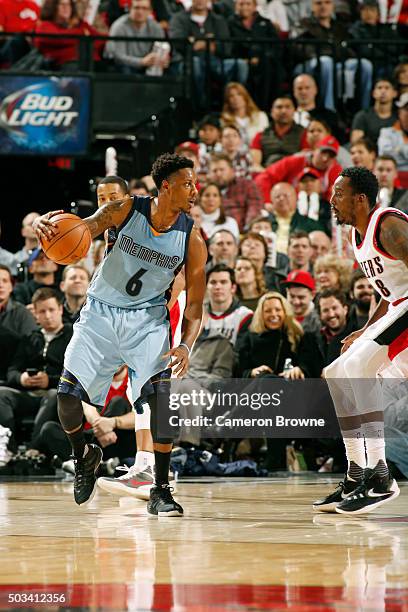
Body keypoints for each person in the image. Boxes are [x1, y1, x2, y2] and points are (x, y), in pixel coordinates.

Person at [33, 155, 207, 515]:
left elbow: (194, 308)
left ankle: (161, 489)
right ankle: (85, 453)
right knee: (66, 397)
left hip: (147, 320)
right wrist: (49, 226)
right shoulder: (126, 209)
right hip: (100, 311)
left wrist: (185, 344)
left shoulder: (192, 240)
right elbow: (86, 227)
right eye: (187, 183)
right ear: (166, 187)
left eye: (195, 183)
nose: (194, 190)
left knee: (160, 402)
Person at [313, 166, 408, 515]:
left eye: (339, 193)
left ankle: (380, 475)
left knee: (357, 367)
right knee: (336, 373)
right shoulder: (358, 234)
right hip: (398, 310)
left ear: (361, 199)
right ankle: (356, 473)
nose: (332, 200)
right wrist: (366, 328)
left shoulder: (389, 225)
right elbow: (388, 290)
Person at [294, 0, 373, 111]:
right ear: (312, 7)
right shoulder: (304, 24)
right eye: (319, 3)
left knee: (365, 65)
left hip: (335, 63)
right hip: (307, 65)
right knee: (326, 62)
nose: (323, 6)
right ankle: (329, 109)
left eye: (327, 3)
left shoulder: (339, 26)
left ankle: (364, 109)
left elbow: (348, 48)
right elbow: (302, 49)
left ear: (332, 6)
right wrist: (332, 53)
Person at [255, 135, 342, 203]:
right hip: (288, 206)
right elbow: (264, 178)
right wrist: (267, 201)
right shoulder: (295, 161)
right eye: (323, 153)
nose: (325, 159)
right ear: (315, 150)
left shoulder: (335, 170)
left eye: (330, 156)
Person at [34, 0, 105, 70]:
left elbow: (100, 40)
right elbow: (58, 39)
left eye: (69, 4)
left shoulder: (81, 25)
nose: (66, 7)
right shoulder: (45, 25)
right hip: (66, 67)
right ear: (52, 7)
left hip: (94, 63)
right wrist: (82, 35)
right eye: (62, 4)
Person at [105, 0, 169, 75]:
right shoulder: (119, 26)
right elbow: (118, 57)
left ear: (150, 11)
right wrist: (141, 62)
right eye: (136, 8)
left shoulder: (156, 27)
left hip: (147, 66)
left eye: (144, 8)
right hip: (124, 66)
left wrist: (162, 60)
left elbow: (161, 49)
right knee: (125, 69)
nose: (140, 12)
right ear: (129, 9)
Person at [209, 152, 263, 231]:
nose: (218, 174)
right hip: (211, 233)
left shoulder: (247, 185)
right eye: (214, 171)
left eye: (222, 170)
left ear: (232, 170)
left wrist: (247, 228)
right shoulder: (206, 191)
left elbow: (254, 208)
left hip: (242, 232)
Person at [250, 96, 305, 169]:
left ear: (294, 111)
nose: (283, 111)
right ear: (272, 112)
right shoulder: (260, 135)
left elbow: (306, 158)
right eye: (279, 107)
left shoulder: (304, 133)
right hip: (267, 173)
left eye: (288, 107)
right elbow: (255, 164)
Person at [351, 79, 398, 145]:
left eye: (387, 88)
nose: (383, 91)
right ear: (373, 93)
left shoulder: (399, 117)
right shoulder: (362, 116)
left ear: (395, 93)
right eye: (379, 88)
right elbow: (356, 143)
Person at [378, 93, 408, 188]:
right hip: (392, 181)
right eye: (406, 109)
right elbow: (385, 157)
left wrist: (398, 149)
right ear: (399, 112)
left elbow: (393, 158)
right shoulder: (386, 133)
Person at [284, 269, 320, 336]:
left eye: (301, 297)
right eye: (292, 296)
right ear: (286, 292)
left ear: (312, 295)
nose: (296, 302)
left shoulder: (319, 322)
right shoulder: (280, 317)